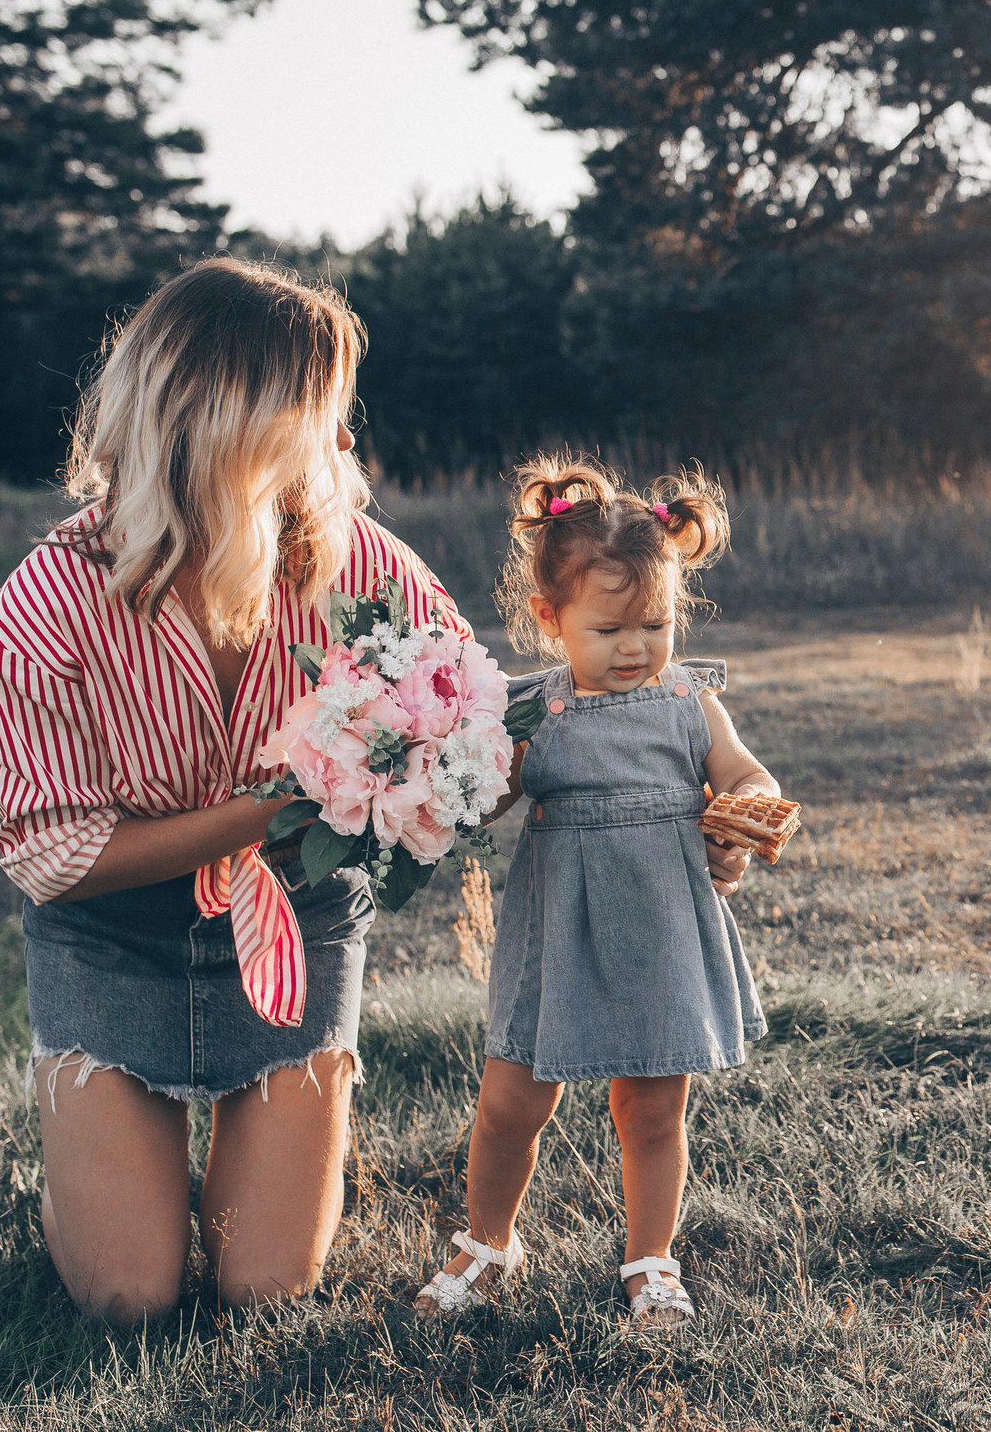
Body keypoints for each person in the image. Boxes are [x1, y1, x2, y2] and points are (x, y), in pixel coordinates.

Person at [0, 259, 468, 1320]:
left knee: (264, 1285)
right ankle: (88, 1172)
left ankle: (273, 1137)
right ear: (244, 424)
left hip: (299, 914)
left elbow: (461, 708)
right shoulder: (47, 604)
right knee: (127, 1296)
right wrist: (276, 801)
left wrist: (650, 785)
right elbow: (54, 860)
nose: (343, 444)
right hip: (110, 931)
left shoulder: (358, 564)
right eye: (324, 416)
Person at [413, 457, 774, 1328]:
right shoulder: (535, 710)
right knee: (509, 1104)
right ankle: (488, 1241)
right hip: (557, 935)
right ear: (550, 618)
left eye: (655, 622)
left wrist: (747, 810)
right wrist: (440, 775)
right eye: (611, 627)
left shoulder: (692, 702)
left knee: (651, 1107)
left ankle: (651, 1260)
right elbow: (481, 796)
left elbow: (745, 773)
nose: (636, 647)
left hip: (658, 929)